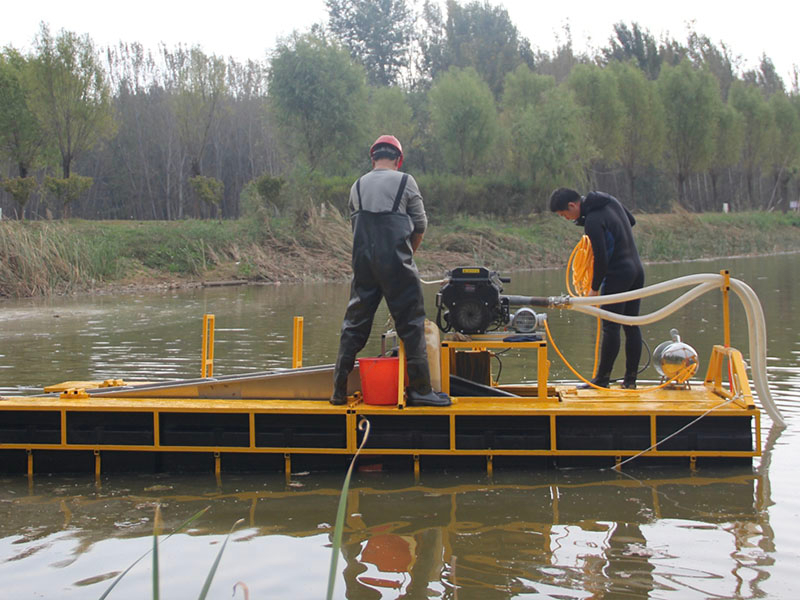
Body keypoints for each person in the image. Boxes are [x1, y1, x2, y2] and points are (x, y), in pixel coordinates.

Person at [330, 135, 450, 407]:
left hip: (363, 263)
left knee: (354, 325)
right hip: (396, 263)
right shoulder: (406, 181)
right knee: (411, 323)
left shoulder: (356, 186)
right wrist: (408, 256)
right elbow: (419, 225)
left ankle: (338, 390)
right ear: (399, 160)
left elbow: (356, 228)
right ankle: (421, 390)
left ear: (373, 158)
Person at [549, 188, 644, 389]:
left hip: (618, 275)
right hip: (636, 270)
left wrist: (593, 289)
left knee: (610, 327)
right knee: (632, 325)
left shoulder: (593, 221)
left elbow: (601, 258)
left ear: (572, 206)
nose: (566, 218)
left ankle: (602, 379)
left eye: (564, 214)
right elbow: (632, 221)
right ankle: (630, 381)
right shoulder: (610, 200)